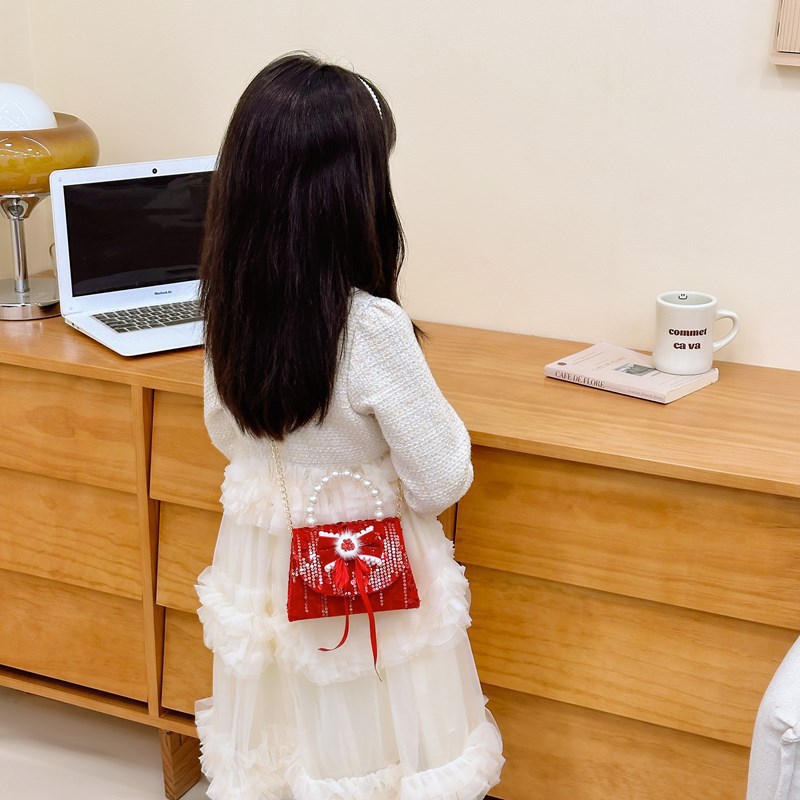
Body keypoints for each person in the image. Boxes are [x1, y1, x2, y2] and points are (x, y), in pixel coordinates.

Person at [196, 52, 504, 800]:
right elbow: (440, 479)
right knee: (374, 730)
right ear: (350, 196)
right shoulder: (371, 329)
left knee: (293, 726)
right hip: (366, 572)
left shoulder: (226, 312)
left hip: (267, 570)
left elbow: (225, 432)